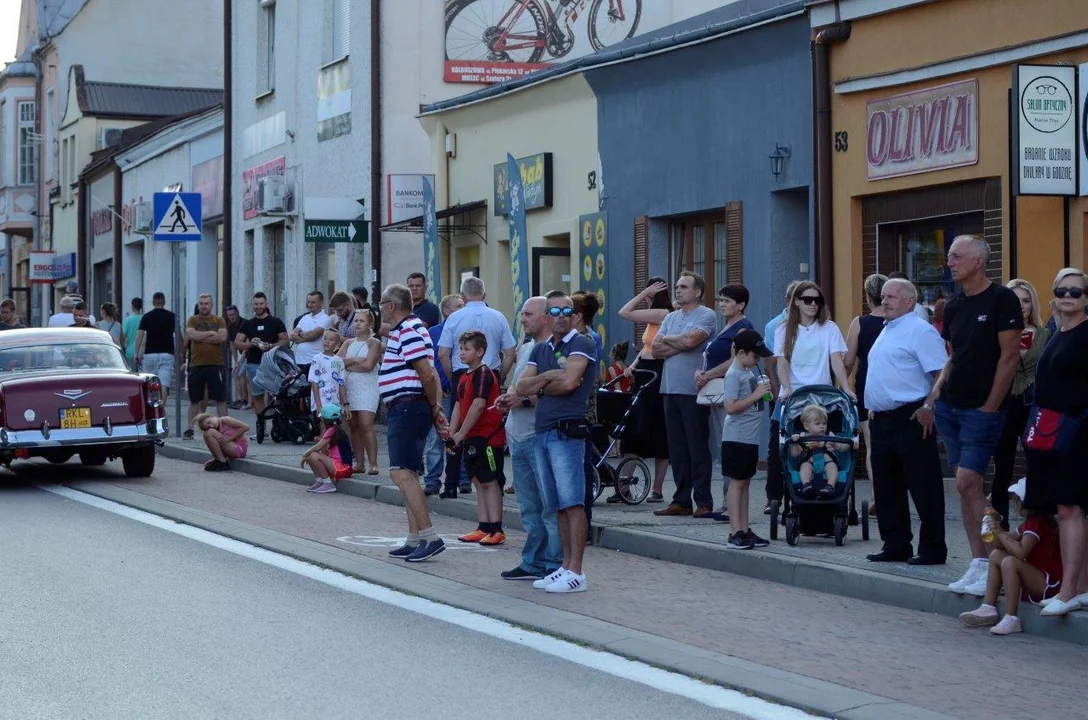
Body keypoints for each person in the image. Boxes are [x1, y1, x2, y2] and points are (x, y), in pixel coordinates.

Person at [931, 235, 1022, 596]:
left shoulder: (1002, 299)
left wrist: (991, 404)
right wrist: (936, 395)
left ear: (978, 261)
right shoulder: (952, 307)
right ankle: (979, 563)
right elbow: (953, 355)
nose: (949, 263)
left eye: (956, 257)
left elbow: (1010, 356)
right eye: (949, 257)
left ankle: (999, 556)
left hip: (982, 412)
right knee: (966, 489)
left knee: (969, 484)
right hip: (950, 408)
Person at [515, 291, 598, 593]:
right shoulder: (540, 349)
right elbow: (521, 385)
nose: (561, 316)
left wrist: (543, 384)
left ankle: (576, 571)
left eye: (567, 311)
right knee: (557, 505)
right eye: (555, 311)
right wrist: (550, 375)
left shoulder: (582, 343)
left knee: (573, 502)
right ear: (548, 316)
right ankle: (564, 567)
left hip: (567, 431)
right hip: (543, 431)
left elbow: (570, 383)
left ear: (574, 315)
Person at [863, 278, 948, 565]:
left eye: (891, 297)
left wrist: (929, 406)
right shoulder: (887, 329)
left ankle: (933, 548)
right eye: (883, 296)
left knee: (924, 486)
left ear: (909, 301)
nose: (884, 301)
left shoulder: (920, 331)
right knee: (887, 486)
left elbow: (941, 373)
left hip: (911, 416)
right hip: (882, 420)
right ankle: (896, 544)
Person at [1029, 268, 1088, 617]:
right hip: (1053, 432)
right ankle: (1080, 589)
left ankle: (1067, 590)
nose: (1068, 296)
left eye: (1076, 292)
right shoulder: (1056, 333)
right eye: (1062, 290)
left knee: (1070, 509)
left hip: (1078, 433)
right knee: (1069, 509)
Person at [378, 283, 449, 563]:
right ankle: (414, 537)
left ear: (391, 306)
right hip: (408, 405)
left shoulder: (407, 329)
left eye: (382, 303)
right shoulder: (409, 328)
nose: (379, 308)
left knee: (401, 474)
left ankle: (430, 537)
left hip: (408, 405)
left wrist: (433, 407)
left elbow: (427, 373)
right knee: (409, 473)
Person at [495, 297, 563, 580]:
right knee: (528, 507)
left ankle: (553, 564)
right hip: (518, 435)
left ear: (546, 317)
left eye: (528, 314)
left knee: (549, 506)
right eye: (522, 313)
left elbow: (555, 391)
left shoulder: (553, 350)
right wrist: (508, 398)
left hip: (539, 435)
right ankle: (533, 561)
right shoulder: (525, 348)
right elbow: (517, 385)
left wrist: (519, 400)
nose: (522, 319)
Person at [438, 277, 516, 496]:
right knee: (487, 429)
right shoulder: (498, 316)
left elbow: (443, 353)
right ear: (485, 294)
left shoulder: (454, 317)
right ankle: (489, 479)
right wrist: (499, 377)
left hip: (462, 374)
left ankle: (451, 482)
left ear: (462, 296)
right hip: (489, 373)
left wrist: (453, 376)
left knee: (457, 426)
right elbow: (510, 353)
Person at [651, 272, 718, 519]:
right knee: (677, 448)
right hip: (669, 389)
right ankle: (681, 500)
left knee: (697, 446)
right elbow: (655, 349)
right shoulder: (670, 316)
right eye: (677, 287)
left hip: (693, 391)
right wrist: (676, 343)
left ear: (697, 292)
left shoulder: (706, 314)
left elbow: (693, 341)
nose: (678, 291)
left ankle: (703, 501)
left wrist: (670, 340)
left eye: (683, 287)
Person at [959, 479, 1062, 635]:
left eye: (1018, 500)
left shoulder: (1037, 523)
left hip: (1049, 584)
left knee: (1010, 562)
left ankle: (1012, 617)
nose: (1016, 504)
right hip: (1038, 576)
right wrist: (993, 524)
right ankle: (988, 607)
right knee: (996, 555)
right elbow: (1002, 545)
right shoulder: (1029, 523)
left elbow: (1021, 552)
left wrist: (1000, 532)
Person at [992, 279, 1050, 530]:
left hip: (1031, 405)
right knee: (1002, 467)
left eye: (1026, 300)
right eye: (1015, 300)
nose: (1021, 306)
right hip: (1004, 404)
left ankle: (1036, 526)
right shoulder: (996, 334)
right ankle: (998, 527)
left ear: (1032, 304)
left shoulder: (1045, 334)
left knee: (1036, 464)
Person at [449, 330, 507, 546]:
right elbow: (458, 404)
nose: (461, 353)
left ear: (480, 351)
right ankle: (483, 526)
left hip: (488, 437)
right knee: (477, 480)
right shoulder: (464, 376)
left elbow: (479, 404)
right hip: (472, 437)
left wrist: (461, 433)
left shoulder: (483, 373)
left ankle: (496, 528)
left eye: (466, 349)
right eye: (460, 349)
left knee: (490, 481)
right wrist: (452, 433)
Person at [619, 278, 672, 502]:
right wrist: (632, 365)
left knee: (659, 428)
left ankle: (657, 489)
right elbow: (646, 347)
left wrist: (643, 294)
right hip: (644, 371)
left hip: (658, 373)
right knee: (633, 428)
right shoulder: (653, 318)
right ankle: (624, 485)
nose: (645, 295)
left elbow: (625, 312)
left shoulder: (662, 313)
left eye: (649, 291)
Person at [720, 329, 774, 549]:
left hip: (749, 439)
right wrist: (756, 395)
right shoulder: (733, 374)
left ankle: (745, 528)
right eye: (755, 357)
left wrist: (762, 388)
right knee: (737, 482)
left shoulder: (747, 372)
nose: (757, 360)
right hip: (737, 438)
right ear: (741, 353)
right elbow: (730, 407)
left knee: (746, 482)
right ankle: (735, 531)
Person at [697, 284, 755, 468]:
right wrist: (700, 372)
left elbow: (735, 360)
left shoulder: (743, 328)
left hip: (732, 390)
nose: (721, 304)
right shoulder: (726, 326)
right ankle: (728, 494)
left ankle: (730, 495)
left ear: (741, 305)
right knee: (724, 443)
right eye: (720, 300)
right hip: (718, 391)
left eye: (727, 301)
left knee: (731, 443)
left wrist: (707, 375)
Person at [845, 273, 887, 515]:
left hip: (866, 387)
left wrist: (842, 385)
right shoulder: (898, 320)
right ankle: (894, 493)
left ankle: (878, 494)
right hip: (894, 387)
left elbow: (849, 361)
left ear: (868, 297)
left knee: (872, 444)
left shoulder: (859, 323)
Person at [762, 280, 801, 514]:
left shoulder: (817, 324)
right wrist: (776, 394)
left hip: (806, 394)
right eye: (798, 298)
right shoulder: (774, 325)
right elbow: (770, 364)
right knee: (776, 445)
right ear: (787, 300)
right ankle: (773, 496)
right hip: (782, 395)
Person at [423, 294, 465, 495]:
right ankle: (432, 480)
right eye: (458, 306)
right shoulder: (434, 332)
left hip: (462, 393)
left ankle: (463, 479)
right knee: (436, 438)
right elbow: (429, 363)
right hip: (442, 393)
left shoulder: (466, 332)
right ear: (446, 311)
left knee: (461, 435)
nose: (463, 309)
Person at [339, 308, 382, 475]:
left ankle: (373, 463)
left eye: (361, 321)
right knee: (353, 425)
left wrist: (348, 365)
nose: (357, 324)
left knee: (366, 424)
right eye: (356, 320)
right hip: (350, 388)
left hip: (367, 388)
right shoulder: (348, 343)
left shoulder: (374, 342)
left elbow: (368, 365)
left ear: (369, 323)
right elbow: (337, 362)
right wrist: (354, 360)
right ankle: (359, 462)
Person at [235, 292, 288, 422]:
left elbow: (286, 341)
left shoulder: (275, 321)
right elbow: (237, 343)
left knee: (277, 395)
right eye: (256, 304)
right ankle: (261, 426)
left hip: (273, 364)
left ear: (266, 304)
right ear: (252, 305)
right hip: (253, 364)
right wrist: (250, 344)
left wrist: (270, 345)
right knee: (257, 396)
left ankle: (279, 424)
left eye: (261, 304)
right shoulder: (248, 324)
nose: (258, 307)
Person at [185, 294, 229, 437]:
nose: (203, 306)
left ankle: (225, 427)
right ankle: (190, 429)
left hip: (216, 365)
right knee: (194, 400)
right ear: (198, 305)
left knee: (220, 398)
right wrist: (211, 333)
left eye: (206, 303)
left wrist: (201, 336)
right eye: (201, 303)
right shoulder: (193, 320)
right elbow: (191, 335)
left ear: (211, 305)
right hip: (196, 365)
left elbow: (222, 337)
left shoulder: (219, 320)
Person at [790, 405, 857, 497]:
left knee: (832, 467)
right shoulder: (803, 437)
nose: (822, 426)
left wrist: (851, 444)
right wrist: (794, 443)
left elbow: (840, 447)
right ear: (806, 426)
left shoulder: (829, 435)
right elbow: (794, 454)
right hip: (810, 462)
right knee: (804, 466)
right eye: (818, 424)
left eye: (824, 423)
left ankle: (830, 486)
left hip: (827, 462)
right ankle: (806, 485)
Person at [301, 403, 354, 494]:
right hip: (338, 467)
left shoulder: (333, 430)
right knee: (312, 456)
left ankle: (328, 484)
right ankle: (320, 481)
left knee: (313, 455)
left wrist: (304, 455)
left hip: (343, 468)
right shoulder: (334, 430)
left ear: (325, 420)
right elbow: (323, 448)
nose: (321, 421)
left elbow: (318, 447)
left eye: (322, 419)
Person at [136, 292, 178, 404]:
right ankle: (160, 410)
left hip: (150, 354)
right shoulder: (172, 316)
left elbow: (139, 335)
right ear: (164, 302)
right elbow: (179, 335)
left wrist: (136, 353)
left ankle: (150, 409)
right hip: (167, 354)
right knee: (163, 384)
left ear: (153, 302)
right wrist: (182, 353)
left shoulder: (147, 316)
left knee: (149, 383)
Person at [291, 291, 334, 377]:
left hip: (314, 363)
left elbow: (313, 335)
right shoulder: (304, 318)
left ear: (321, 303)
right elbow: (292, 336)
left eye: (313, 302)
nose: (309, 305)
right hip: (299, 362)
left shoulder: (325, 319)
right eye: (308, 302)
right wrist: (307, 336)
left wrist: (300, 334)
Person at [309, 329, 349, 418]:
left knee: (338, 427)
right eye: (325, 338)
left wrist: (346, 404)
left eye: (331, 340)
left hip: (335, 402)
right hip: (322, 401)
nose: (327, 342)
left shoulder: (339, 361)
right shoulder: (317, 359)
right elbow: (314, 383)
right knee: (324, 427)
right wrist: (318, 405)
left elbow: (341, 383)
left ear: (337, 343)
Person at [122, 297, 143, 366]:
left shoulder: (128, 320)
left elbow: (123, 336)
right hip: (142, 352)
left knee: (132, 374)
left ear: (132, 306)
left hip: (130, 352)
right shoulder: (144, 318)